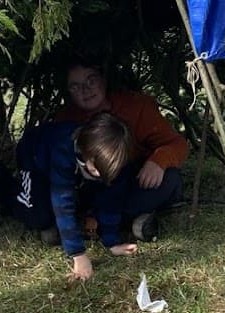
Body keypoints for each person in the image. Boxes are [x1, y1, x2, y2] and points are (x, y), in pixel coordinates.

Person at [50, 59, 188, 242]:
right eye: (75, 86)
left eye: (91, 80)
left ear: (103, 79)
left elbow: (178, 144)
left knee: (169, 179)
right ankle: (110, 223)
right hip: (90, 186)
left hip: (130, 179)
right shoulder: (65, 120)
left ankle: (91, 224)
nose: (85, 89)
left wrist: (158, 161)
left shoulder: (136, 107)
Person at [13, 111, 138, 281]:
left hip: (74, 171)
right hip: (35, 157)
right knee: (39, 217)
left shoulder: (117, 160)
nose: (100, 175)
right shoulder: (62, 149)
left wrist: (112, 242)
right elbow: (62, 201)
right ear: (86, 153)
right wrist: (78, 254)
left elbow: (112, 199)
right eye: (95, 170)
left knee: (94, 192)